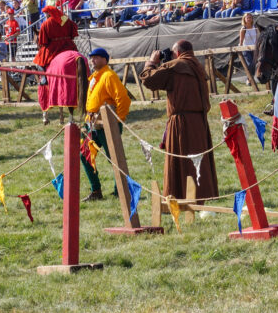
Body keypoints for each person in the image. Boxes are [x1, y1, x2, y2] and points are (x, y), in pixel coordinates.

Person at [139, 39, 218, 201]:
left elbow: (148, 80)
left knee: (182, 160)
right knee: (198, 161)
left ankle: (180, 196)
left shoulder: (175, 66)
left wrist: (152, 61)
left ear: (178, 53)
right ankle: (202, 196)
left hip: (181, 122)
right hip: (200, 122)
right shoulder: (198, 67)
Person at [81, 47, 131, 202]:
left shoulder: (109, 76)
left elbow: (123, 99)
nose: (92, 60)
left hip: (107, 124)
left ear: (105, 59)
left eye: (96, 57)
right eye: (91, 57)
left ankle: (120, 190)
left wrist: (116, 120)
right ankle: (96, 190)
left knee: (115, 159)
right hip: (93, 124)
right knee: (85, 155)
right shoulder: (95, 77)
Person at [238, 12, 257, 77]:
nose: (249, 19)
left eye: (250, 17)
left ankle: (250, 78)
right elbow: (241, 40)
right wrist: (239, 48)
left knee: (255, 64)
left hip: (254, 48)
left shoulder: (255, 27)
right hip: (246, 49)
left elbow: (257, 38)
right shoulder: (243, 29)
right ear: (244, 19)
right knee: (249, 64)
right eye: (247, 18)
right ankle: (249, 79)